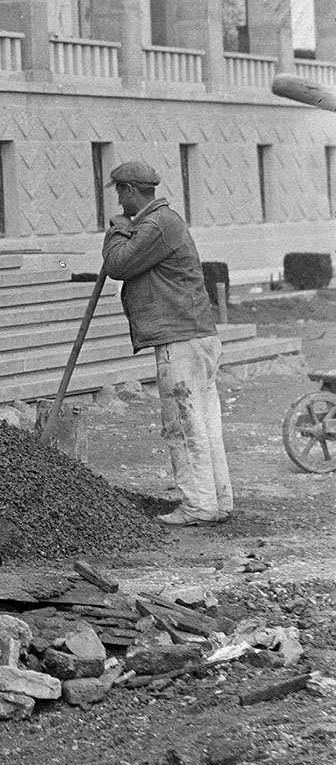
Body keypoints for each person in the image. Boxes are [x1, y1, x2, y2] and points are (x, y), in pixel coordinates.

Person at [101, 156, 232, 527]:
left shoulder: (157, 224)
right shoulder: (163, 221)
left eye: (120, 194)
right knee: (204, 425)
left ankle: (197, 506)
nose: (119, 203)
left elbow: (117, 266)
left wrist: (116, 230)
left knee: (183, 424)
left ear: (129, 191)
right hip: (196, 336)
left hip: (181, 341)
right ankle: (218, 501)